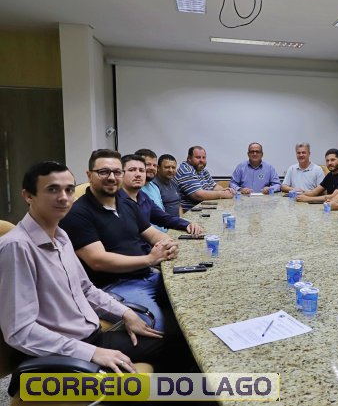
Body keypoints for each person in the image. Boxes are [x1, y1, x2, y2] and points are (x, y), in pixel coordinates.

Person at [0, 161, 163, 373]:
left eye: (69, 190)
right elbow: (19, 331)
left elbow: (86, 289)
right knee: (167, 366)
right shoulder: (16, 247)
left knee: (175, 345)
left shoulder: (61, 236)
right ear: (28, 196)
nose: (64, 197)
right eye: (52, 189)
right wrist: (92, 353)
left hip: (90, 338)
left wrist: (126, 313)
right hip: (58, 358)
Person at [60, 149, 179, 331]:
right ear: (89, 175)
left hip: (148, 275)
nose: (111, 177)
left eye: (117, 172)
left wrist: (167, 244)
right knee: (157, 326)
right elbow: (98, 261)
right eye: (103, 172)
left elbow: (153, 233)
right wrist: (150, 259)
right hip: (114, 286)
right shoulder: (77, 213)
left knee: (191, 300)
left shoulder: (127, 204)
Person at [119, 154, 203, 235]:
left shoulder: (143, 197)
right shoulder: (116, 201)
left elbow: (163, 217)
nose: (138, 174)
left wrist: (187, 224)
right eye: (132, 170)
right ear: (120, 173)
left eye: (141, 170)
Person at [176, 146, 234, 211]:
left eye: (203, 157)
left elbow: (214, 187)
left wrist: (226, 190)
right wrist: (222, 194)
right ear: (189, 158)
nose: (201, 160)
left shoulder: (203, 170)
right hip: (191, 212)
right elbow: (198, 195)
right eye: (198, 157)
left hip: (204, 208)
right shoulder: (186, 170)